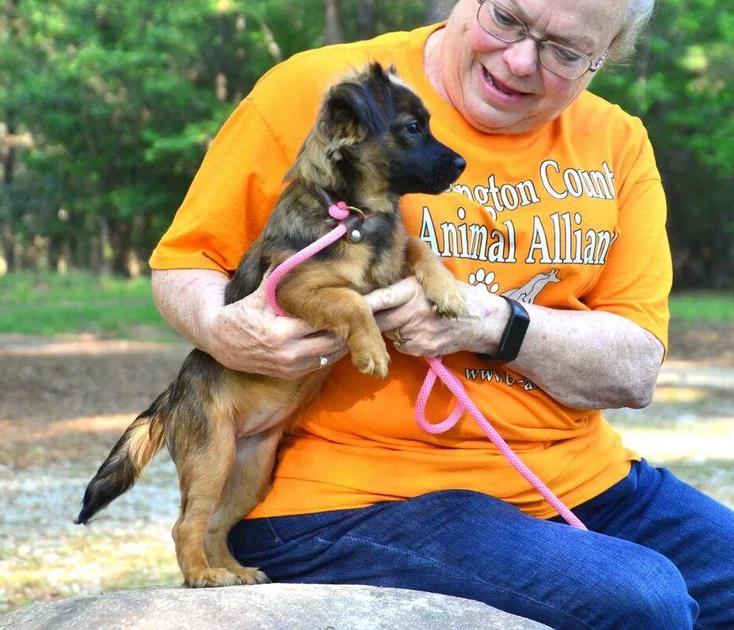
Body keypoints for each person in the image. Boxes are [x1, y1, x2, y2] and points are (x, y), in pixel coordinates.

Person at [148, 0, 734, 627]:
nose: (519, 60)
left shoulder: (617, 141)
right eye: (506, 19)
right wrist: (223, 329)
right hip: (357, 495)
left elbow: (636, 366)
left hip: (580, 479)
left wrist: (494, 323)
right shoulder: (319, 92)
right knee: (644, 600)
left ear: (604, 58)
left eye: (564, 52)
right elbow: (185, 264)